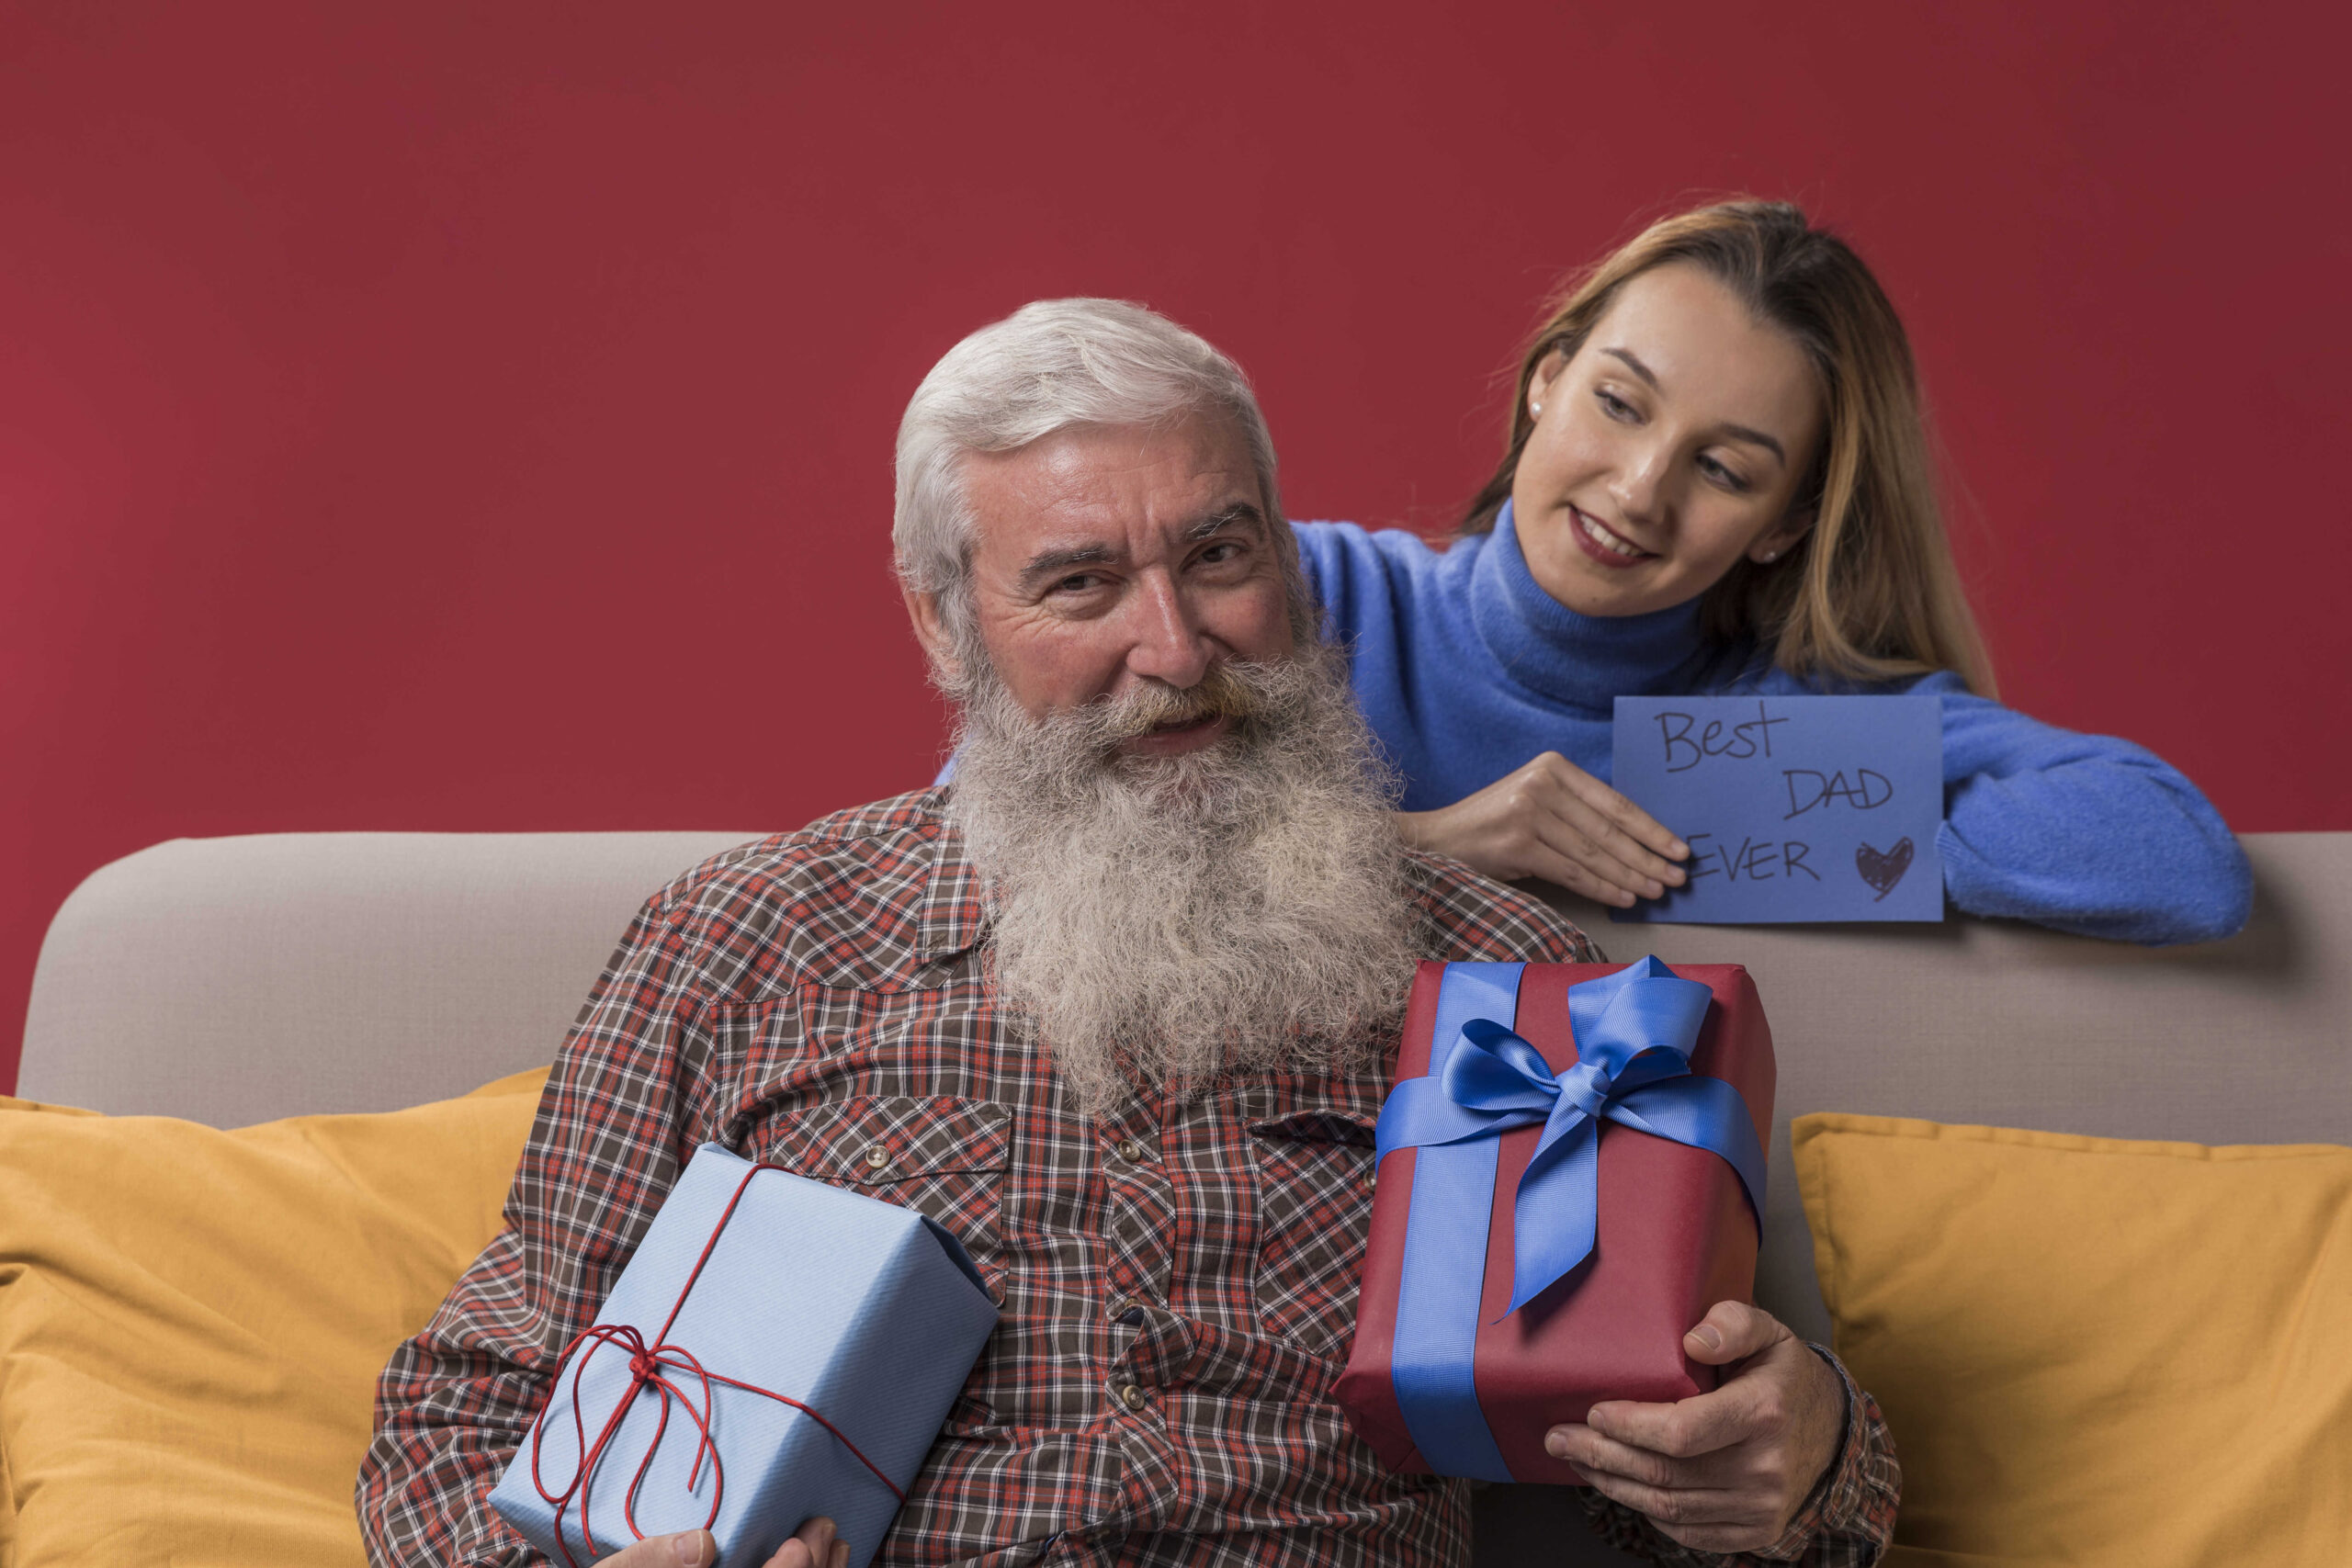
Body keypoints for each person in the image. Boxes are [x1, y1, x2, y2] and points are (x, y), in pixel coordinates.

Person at [358, 299, 1900, 1567]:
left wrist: (1808, 1452)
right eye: (1082, 583)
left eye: (1220, 558)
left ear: (1287, 560)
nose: (1176, 649)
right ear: (940, 618)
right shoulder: (739, 943)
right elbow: (456, 1421)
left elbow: (1717, 1460)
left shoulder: (1522, 984)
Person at [1294, 200, 2251, 945]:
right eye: (1620, 403)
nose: (1638, 492)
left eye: (1722, 470)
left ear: (1784, 526)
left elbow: (2180, 860)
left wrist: (1744, 812)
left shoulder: (1788, 725)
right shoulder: (1315, 596)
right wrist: (1429, 848)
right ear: (1549, 380)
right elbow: (1140, 853)